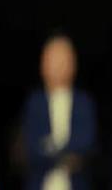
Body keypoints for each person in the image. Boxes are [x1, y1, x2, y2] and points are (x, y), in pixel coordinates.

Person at [22, 34, 96, 190]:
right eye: (53, 58)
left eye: (63, 58)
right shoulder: (34, 104)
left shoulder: (84, 103)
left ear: (73, 63)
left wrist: (50, 148)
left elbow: (87, 144)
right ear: (43, 63)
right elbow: (31, 148)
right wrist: (65, 155)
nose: (58, 65)